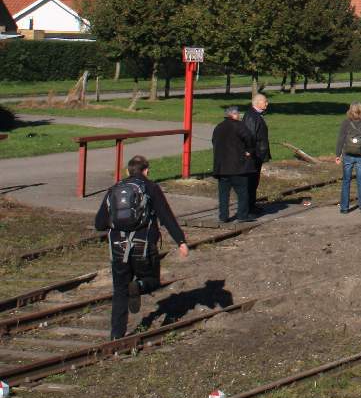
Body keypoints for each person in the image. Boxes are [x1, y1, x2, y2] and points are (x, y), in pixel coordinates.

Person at [94, 155, 189, 339]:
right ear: (147, 171)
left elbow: (99, 223)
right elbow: (166, 216)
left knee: (119, 290)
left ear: (127, 171)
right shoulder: (150, 187)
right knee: (152, 280)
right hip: (143, 246)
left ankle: (116, 336)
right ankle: (138, 286)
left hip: (118, 247)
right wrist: (180, 241)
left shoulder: (114, 189)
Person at [212, 106, 256, 224]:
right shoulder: (239, 125)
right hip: (238, 166)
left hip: (222, 167)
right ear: (233, 115)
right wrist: (249, 150)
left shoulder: (218, 127)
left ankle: (223, 216)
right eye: (238, 114)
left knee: (223, 194)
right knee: (242, 192)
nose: (239, 116)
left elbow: (214, 142)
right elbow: (249, 138)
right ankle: (242, 215)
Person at [242, 93, 272, 214]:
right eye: (265, 101)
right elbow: (249, 136)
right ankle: (248, 207)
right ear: (258, 102)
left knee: (254, 180)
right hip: (253, 155)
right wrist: (251, 152)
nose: (267, 103)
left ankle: (251, 205)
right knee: (251, 181)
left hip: (257, 154)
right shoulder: (251, 116)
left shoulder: (256, 116)